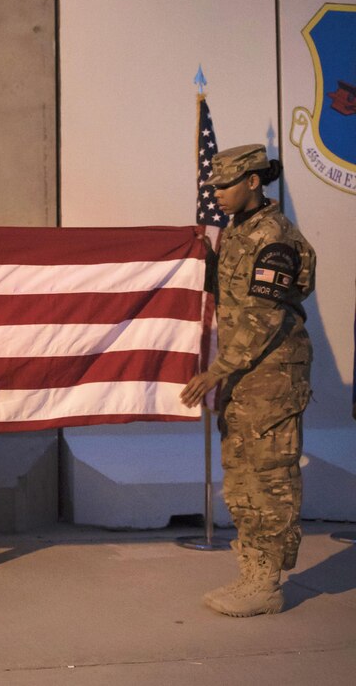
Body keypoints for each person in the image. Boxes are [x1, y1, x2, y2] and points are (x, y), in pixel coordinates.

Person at [181, 144, 315, 617]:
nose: (217, 193)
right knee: (241, 474)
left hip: (272, 373)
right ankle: (252, 572)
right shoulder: (236, 232)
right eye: (213, 185)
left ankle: (268, 583)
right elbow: (223, 295)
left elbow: (262, 315)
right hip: (243, 371)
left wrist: (214, 373)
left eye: (225, 185)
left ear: (253, 181)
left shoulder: (273, 237)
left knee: (270, 475)